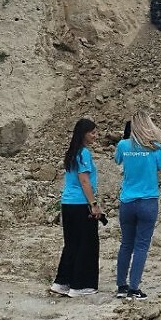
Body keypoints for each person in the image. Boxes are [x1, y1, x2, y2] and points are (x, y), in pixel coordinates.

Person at [114, 110, 161, 300]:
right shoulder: (157, 147)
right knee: (141, 246)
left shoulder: (123, 145)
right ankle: (134, 288)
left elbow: (118, 161)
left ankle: (121, 286)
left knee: (126, 244)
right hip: (148, 201)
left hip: (127, 201)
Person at [50, 118, 103, 298]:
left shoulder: (71, 153)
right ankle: (81, 285)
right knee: (87, 244)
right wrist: (93, 204)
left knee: (71, 244)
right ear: (84, 134)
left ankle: (62, 282)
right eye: (93, 133)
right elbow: (84, 180)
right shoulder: (84, 154)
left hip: (67, 204)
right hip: (81, 204)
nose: (95, 136)